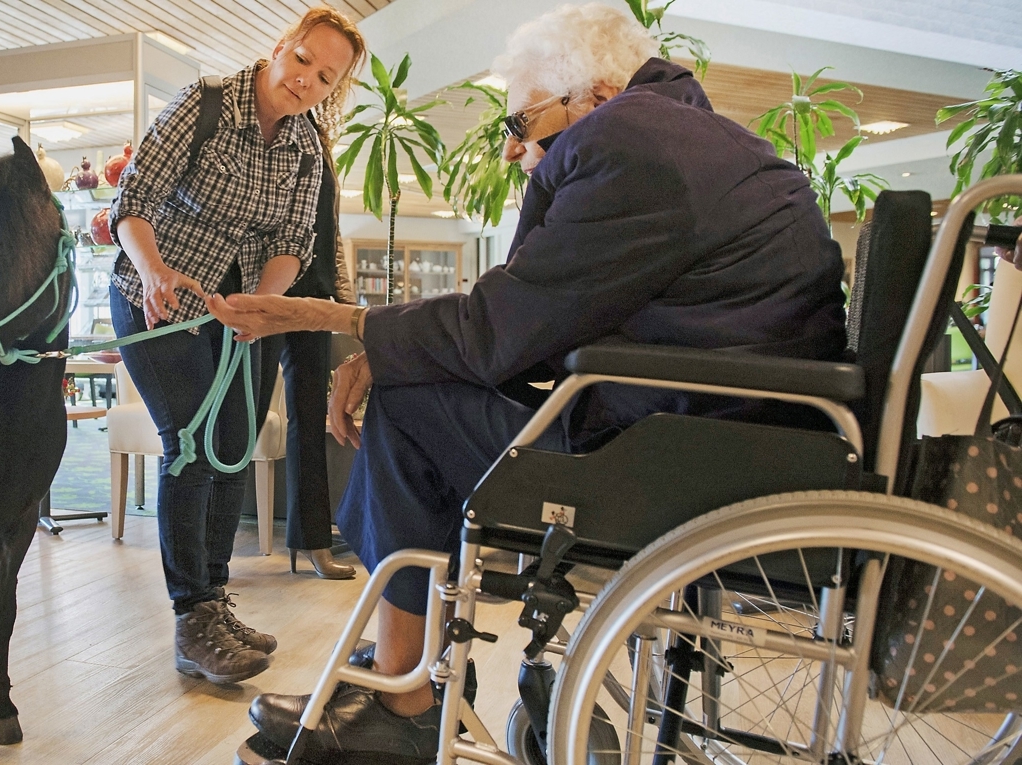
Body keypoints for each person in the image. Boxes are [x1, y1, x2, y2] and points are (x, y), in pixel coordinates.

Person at [208, 3, 848, 760]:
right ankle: (406, 677)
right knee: (429, 385)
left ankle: (406, 695)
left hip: (681, 455)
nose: (513, 151)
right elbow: (532, 327)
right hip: (730, 433)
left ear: (594, 96)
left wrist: (331, 319)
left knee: (411, 403)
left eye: (520, 123)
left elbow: (498, 331)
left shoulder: (629, 140)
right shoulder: (694, 137)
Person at [108, 6, 365, 685]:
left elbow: (290, 244)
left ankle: (214, 601)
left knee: (232, 441)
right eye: (304, 60)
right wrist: (157, 270)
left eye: (326, 78)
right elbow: (131, 201)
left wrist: (261, 307)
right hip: (154, 292)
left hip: (234, 309)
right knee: (190, 439)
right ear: (281, 48)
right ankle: (192, 615)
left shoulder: (308, 149)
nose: (308, 80)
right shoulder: (206, 104)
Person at [253, 130, 357, 581]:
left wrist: (345, 301)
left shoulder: (320, 143)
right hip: (263, 292)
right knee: (246, 417)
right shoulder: (264, 130)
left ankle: (313, 542)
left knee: (310, 421)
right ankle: (209, 552)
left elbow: (329, 230)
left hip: (314, 296)